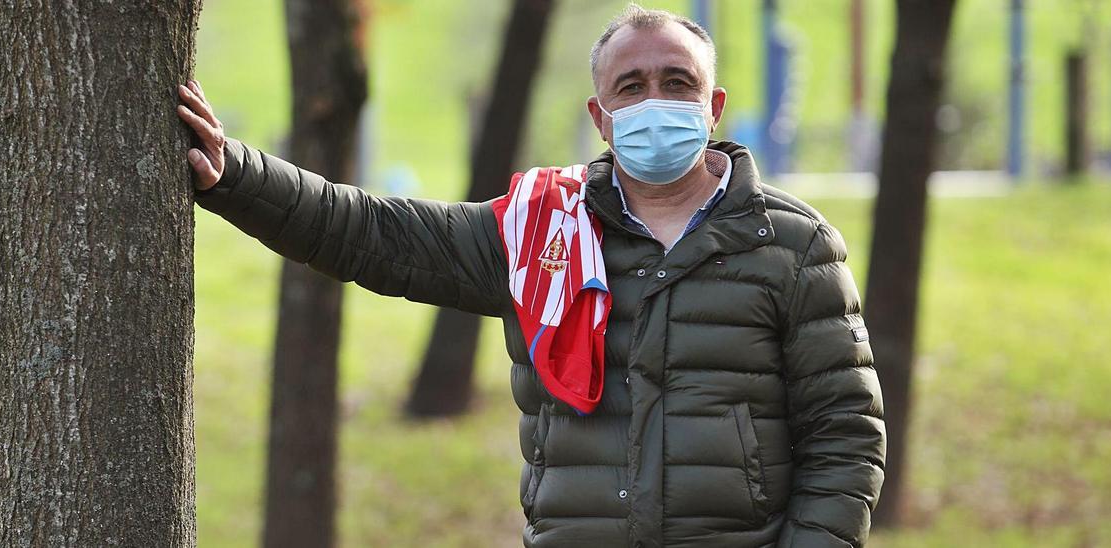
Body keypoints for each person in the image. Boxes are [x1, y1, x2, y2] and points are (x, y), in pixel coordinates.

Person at [177, 4, 884, 547]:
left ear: (713, 106)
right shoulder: (540, 228)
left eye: (678, 83)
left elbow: (846, 435)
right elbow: (371, 233)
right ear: (600, 117)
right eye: (630, 87)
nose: (655, 102)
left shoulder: (792, 244)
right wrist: (239, 175)